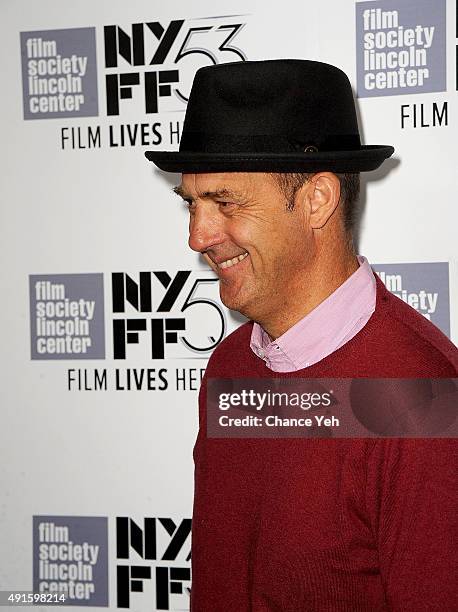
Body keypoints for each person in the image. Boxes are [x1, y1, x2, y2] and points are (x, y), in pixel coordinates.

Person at [146, 60, 457, 611]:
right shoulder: (231, 367)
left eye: (226, 202)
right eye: (191, 203)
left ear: (316, 200)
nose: (197, 236)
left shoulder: (422, 397)